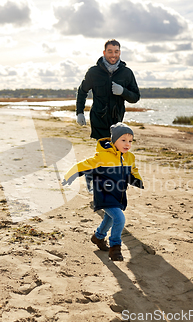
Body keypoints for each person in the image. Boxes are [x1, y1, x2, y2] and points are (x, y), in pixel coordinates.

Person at [62, 123, 144, 261]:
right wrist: (69, 175)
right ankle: (115, 248)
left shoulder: (129, 157)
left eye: (130, 141)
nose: (127, 144)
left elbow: (132, 171)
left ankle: (98, 237)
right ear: (114, 141)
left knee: (110, 218)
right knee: (119, 219)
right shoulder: (102, 156)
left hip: (119, 194)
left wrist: (137, 180)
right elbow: (82, 165)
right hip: (104, 194)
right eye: (123, 140)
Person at [75, 39, 140, 140]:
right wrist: (79, 112)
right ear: (104, 52)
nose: (113, 55)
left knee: (116, 152)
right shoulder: (94, 72)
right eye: (110, 51)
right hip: (98, 120)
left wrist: (123, 91)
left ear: (120, 52)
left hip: (117, 122)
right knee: (103, 151)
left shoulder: (127, 73)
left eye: (116, 51)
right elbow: (82, 91)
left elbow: (135, 97)